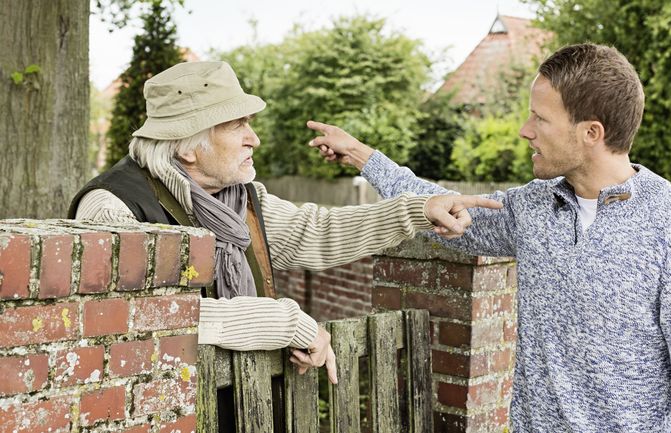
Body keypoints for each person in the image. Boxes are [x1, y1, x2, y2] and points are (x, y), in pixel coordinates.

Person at [307, 43, 671, 432]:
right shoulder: (533, 207)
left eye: (540, 118)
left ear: (591, 133)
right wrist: (364, 156)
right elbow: (447, 205)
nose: (525, 130)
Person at [68, 61, 501, 421]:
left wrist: (417, 210)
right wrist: (284, 322)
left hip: (246, 405)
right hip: (160, 413)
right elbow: (138, 316)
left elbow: (318, 231)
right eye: (237, 125)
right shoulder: (113, 206)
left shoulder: (241, 198)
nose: (253, 138)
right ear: (188, 148)